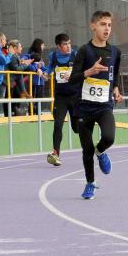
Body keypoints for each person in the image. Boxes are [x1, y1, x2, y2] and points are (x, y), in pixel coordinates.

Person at [68, 11, 124, 199]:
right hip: (84, 107)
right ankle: (90, 183)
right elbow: (72, 79)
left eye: (109, 25)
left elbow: (114, 75)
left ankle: (101, 152)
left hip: (104, 106)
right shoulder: (84, 51)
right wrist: (89, 71)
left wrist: (116, 88)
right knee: (86, 149)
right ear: (92, 26)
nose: (106, 28)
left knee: (109, 137)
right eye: (102, 24)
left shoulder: (115, 52)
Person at [45, 33, 79, 166]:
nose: (68, 46)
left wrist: (72, 74)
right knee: (58, 124)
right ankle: (56, 154)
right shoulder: (53, 56)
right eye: (65, 44)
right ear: (58, 46)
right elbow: (49, 71)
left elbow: (83, 72)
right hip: (60, 97)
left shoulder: (76, 55)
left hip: (75, 96)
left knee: (76, 128)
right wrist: (44, 75)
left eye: (69, 43)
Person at [27, 38, 49, 113]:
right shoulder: (32, 55)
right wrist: (37, 69)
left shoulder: (40, 56)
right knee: (33, 96)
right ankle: (32, 112)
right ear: (38, 46)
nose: (44, 47)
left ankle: (38, 112)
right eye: (42, 45)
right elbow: (29, 65)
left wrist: (46, 72)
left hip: (40, 81)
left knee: (40, 97)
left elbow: (43, 67)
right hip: (34, 81)